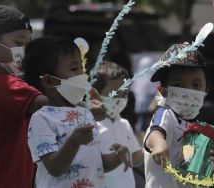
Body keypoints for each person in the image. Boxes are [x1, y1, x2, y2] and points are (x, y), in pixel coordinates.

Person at [23, 36, 132, 188]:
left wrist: (117, 157)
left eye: (81, 67)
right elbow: (54, 168)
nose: (82, 74)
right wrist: (74, 141)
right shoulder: (42, 118)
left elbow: (96, 163)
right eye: (74, 69)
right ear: (49, 81)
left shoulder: (85, 113)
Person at [0, 5, 49, 188]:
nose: (26, 50)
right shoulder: (5, 85)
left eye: (29, 43)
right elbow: (51, 104)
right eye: (19, 43)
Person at [143, 43, 214, 188]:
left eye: (196, 85)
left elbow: (209, 179)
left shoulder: (202, 132)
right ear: (163, 91)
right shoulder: (166, 115)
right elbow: (155, 132)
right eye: (179, 84)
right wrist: (159, 142)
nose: (187, 91)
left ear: (206, 90)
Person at [92, 61, 144, 188]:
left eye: (124, 93)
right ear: (95, 94)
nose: (120, 98)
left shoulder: (124, 123)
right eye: (115, 93)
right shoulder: (90, 125)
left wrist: (151, 146)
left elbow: (134, 158)